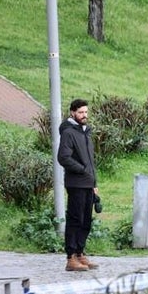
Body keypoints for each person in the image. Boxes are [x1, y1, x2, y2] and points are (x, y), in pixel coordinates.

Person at [57, 99, 100, 272]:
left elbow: (91, 161)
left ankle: (80, 252)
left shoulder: (85, 132)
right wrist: (82, 170)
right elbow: (63, 157)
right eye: (81, 112)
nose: (84, 115)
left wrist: (94, 182)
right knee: (75, 219)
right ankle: (71, 257)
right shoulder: (69, 132)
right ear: (73, 112)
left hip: (88, 183)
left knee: (86, 221)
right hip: (76, 183)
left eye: (86, 112)